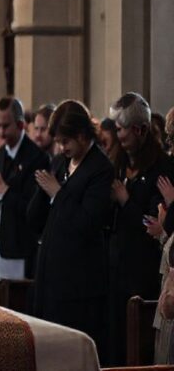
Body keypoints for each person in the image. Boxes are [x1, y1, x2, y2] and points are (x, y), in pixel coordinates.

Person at [26, 100, 113, 357]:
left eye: (66, 141)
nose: (62, 148)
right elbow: (35, 218)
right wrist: (43, 193)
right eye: (58, 142)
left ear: (83, 135)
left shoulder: (100, 169)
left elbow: (87, 223)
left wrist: (57, 193)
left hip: (78, 286)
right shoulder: (61, 162)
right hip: (50, 278)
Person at [105, 92, 174, 366]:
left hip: (142, 270)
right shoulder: (117, 162)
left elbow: (155, 223)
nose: (118, 135)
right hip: (115, 267)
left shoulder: (162, 168)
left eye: (123, 129)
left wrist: (126, 201)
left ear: (141, 130)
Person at [0, 97, 50, 284]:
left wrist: (6, 191)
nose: (1, 132)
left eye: (6, 126)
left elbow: (34, 210)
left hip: (19, 248)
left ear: (20, 125)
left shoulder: (37, 158)